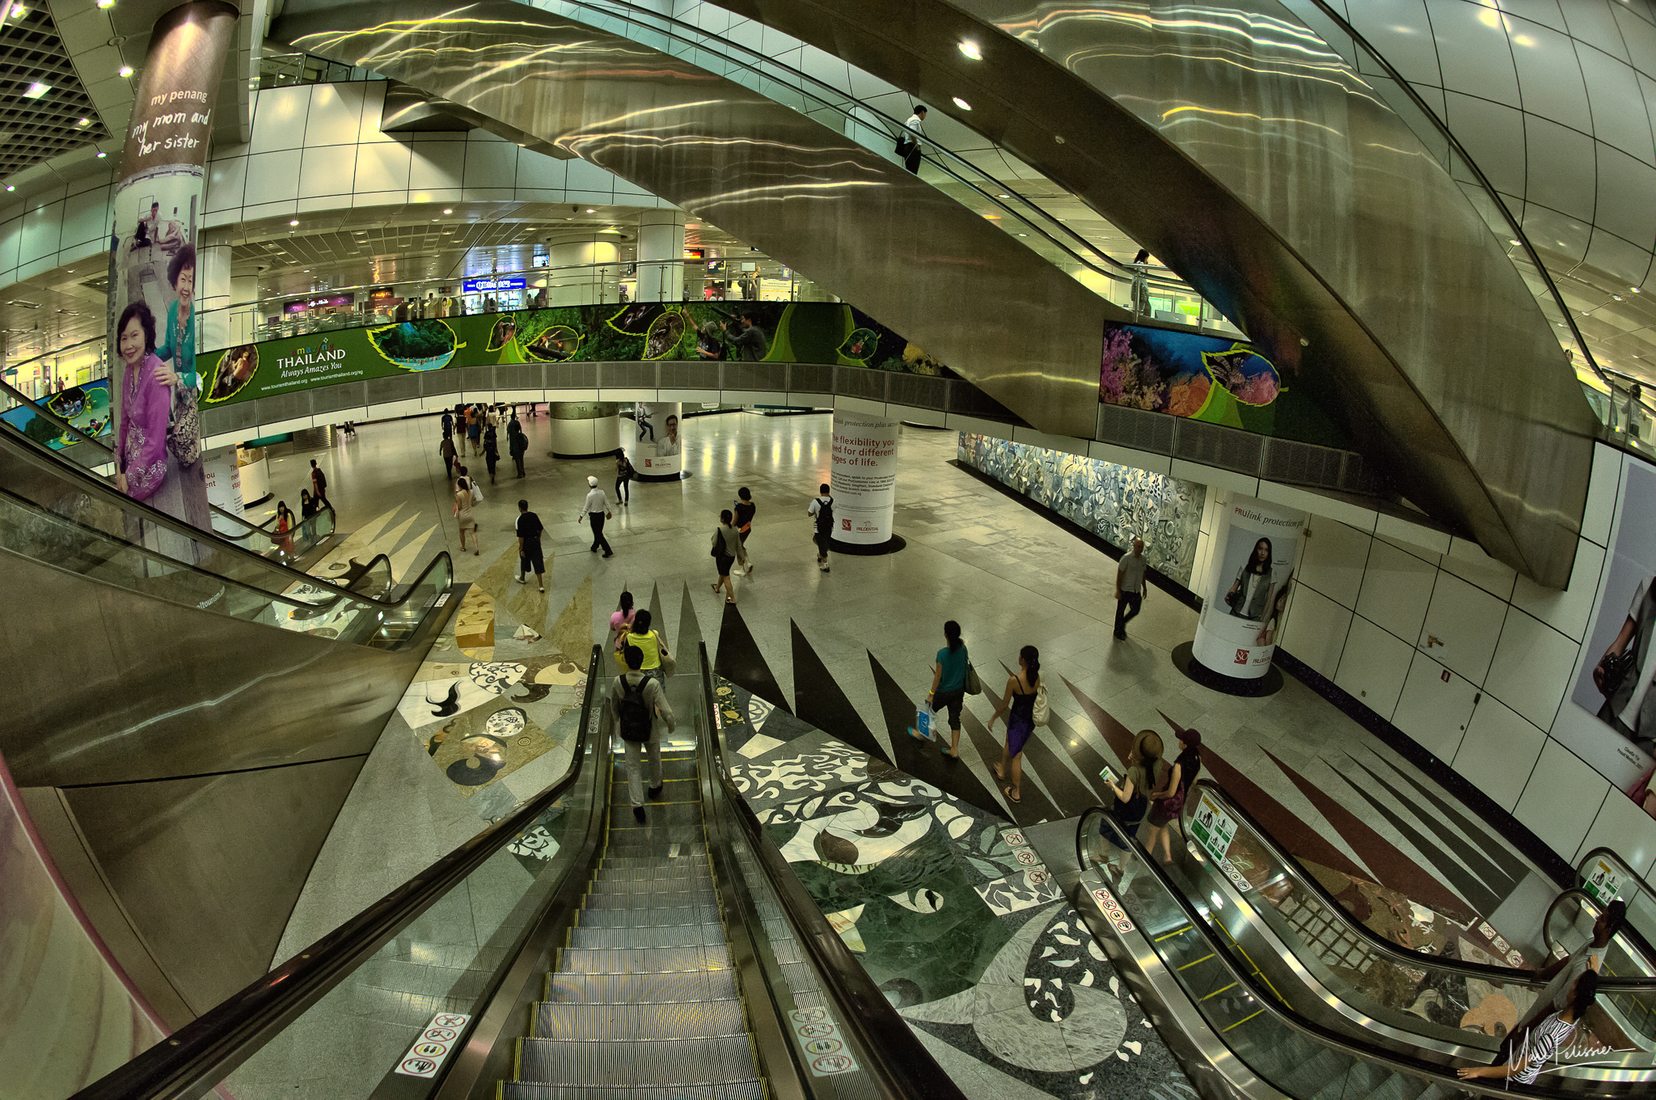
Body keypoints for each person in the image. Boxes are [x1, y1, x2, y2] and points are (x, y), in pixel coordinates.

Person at [1493, 901, 1625, 1066]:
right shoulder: (1593, 942)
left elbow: (1555, 1006)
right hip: (1537, 1014)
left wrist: (1526, 1029)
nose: (1597, 919)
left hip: (1539, 1023)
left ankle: (1484, 1083)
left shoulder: (1587, 966)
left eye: (1603, 919)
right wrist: (1543, 973)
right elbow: (1569, 960)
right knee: (1507, 1047)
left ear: (1609, 929)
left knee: (1509, 1055)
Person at [114, 301, 209, 528]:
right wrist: (119, 463)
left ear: (146, 335)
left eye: (134, 335)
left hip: (151, 465)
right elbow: (125, 419)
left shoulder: (157, 377)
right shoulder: (130, 371)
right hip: (132, 456)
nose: (128, 344)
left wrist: (128, 475)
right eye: (124, 337)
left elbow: (156, 443)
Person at [1461, 971, 1598, 1085]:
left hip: (1512, 1080)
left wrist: (1478, 1071)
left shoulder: (1550, 1035)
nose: (1570, 984)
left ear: (1575, 994)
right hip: (1515, 1064)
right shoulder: (1574, 1015)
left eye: (1574, 983)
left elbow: (1516, 1069)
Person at [606, 644, 676, 823]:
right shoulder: (652, 684)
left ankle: (637, 805)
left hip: (628, 730)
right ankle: (655, 786)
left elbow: (614, 706)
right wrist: (670, 725)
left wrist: (618, 723)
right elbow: (665, 710)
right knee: (654, 757)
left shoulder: (617, 681)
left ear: (626, 661)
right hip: (649, 728)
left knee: (633, 767)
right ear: (642, 661)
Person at [987, 646, 1040, 803]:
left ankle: (1016, 792)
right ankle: (1002, 769)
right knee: (1009, 743)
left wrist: (993, 718)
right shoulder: (1036, 677)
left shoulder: (1014, 680)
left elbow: (1004, 705)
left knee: (1017, 755)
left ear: (1022, 659)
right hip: (1029, 720)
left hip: (1017, 721)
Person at [1145, 729, 1201, 862]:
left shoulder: (1178, 765)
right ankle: (1168, 856)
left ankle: (1145, 856)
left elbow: (1170, 792)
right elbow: (1194, 781)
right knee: (1162, 825)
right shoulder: (1198, 758)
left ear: (1185, 744)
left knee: (1152, 829)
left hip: (1167, 804)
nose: (1179, 742)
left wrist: (1157, 795)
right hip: (1180, 803)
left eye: (1181, 740)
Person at [921, 620, 970, 759]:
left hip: (944, 692)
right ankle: (954, 749)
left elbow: (937, 677)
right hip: (958, 691)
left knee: (928, 711)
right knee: (955, 718)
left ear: (945, 635)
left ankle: (921, 734)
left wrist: (931, 694)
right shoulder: (963, 648)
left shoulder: (942, 654)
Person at [154, 244, 198, 393]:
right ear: (175, 283)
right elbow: (168, 347)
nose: (186, 287)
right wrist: (148, 357)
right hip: (180, 393)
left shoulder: (196, 318)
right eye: (183, 279)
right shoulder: (173, 310)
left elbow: (198, 372)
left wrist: (178, 379)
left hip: (196, 394)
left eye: (190, 281)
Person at [1225, 537, 1274, 620]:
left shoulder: (1272, 573)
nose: (1262, 553)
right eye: (1260, 549)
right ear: (1256, 550)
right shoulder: (1244, 567)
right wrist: (1229, 596)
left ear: (1269, 553)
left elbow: (1269, 599)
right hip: (1236, 612)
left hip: (1254, 617)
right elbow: (1234, 587)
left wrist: (1261, 618)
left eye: (1266, 550)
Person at [711, 508, 748, 604]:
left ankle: (732, 598)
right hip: (731, 557)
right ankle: (717, 587)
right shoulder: (735, 530)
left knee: (726, 576)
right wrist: (741, 557)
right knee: (723, 573)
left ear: (722, 519)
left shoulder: (720, 530)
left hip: (722, 557)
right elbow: (739, 545)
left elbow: (714, 542)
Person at [1114, 536, 1148, 640]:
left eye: (1141, 547)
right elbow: (1119, 574)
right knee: (1120, 611)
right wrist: (1118, 590)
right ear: (1133, 546)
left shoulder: (1143, 560)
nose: (1139, 549)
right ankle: (1117, 631)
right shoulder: (1126, 558)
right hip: (1125, 590)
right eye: (1138, 546)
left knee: (1135, 610)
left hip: (1136, 590)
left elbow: (1143, 574)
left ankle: (1122, 623)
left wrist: (1144, 587)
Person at [625, 608, 670, 684]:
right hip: (655, 670)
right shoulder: (654, 634)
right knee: (657, 692)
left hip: (638, 670)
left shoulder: (629, 637)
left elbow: (626, 653)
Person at [515, 498, 545, 592]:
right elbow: (540, 528)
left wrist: (521, 548)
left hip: (527, 543)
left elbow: (521, 537)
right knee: (537, 561)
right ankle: (541, 585)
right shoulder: (534, 515)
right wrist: (538, 538)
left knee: (524, 559)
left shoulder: (520, 520)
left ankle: (522, 578)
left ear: (520, 508)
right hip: (535, 541)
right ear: (527, 507)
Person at [582, 475, 614, 557]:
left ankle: (608, 550)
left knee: (598, 534)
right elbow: (606, 502)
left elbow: (586, 507)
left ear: (589, 485)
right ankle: (594, 546)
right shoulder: (602, 492)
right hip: (601, 516)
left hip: (594, 516)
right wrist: (609, 511)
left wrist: (581, 516)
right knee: (598, 532)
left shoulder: (589, 495)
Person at [807, 482, 834, 573]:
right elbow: (834, 510)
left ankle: (825, 564)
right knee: (822, 541)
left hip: (818, 527)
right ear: (829, 491)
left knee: (820, 542)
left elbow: (809, 513)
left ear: (820, 491)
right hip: (829, 526)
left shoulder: (816, 501)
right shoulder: (833, 501)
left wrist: (816, 512)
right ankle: (820, 554)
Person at [609, 590, 638, 670]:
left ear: (621, 603)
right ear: (632, 603)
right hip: (633, 643)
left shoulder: (614, 616)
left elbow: (612, 628)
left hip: (620, 645)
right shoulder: (636, 615)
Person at [453, 475, 479, 555]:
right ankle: (476, 548)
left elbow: (460, 506)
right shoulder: (470, 492)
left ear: (459, 485)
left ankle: (463, 547)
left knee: (461, 532)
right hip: (470, 514)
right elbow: (473, 501)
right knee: (473, 533)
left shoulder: (459, 494)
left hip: (463, 515)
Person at [733, 487, 756, 570]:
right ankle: (748, 563)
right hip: (747, 528)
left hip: (740, 530)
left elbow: (734, 522)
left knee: (738, 548)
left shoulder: (738, 508)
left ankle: (742, 568)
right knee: (741, 546)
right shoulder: (753, 506)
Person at [901, 104, 927, 173]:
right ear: (922, 112)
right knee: (913, 170)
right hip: (912, 147)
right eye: (925, 114)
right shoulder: (915, 120)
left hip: (908, 146)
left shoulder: (909, 120)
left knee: (909, 168)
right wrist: (916, 146)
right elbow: (912, 133)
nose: (925, 116)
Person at [1131, 248, 1151, 318]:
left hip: (1137, 289)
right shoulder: (1140, 264)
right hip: (1141, 289)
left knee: (1136, 309)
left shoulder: (1136, 264)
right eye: (1146, 258)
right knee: (1141, 310)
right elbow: (1143, 277)